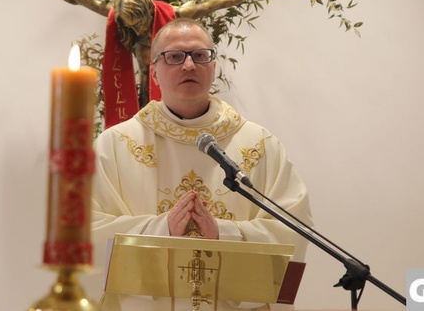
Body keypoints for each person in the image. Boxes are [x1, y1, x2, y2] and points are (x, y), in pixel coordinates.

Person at [91, 18, 313, 310]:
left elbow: (295, 229)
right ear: (154, 72)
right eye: (173, 57)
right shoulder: (115, 146)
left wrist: (225, 235)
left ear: (214, 66)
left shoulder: (259, 145)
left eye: (200, 55)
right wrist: (162, 229)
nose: (188, 66)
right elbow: (84, 232)